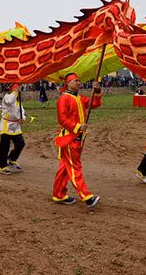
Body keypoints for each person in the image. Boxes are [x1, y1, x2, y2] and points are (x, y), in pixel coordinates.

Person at [52, 73, 102, 208]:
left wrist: (97, 91)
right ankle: (86, 196)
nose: (79, 83)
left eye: (79, 81)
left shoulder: (80, 98)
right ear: (68, 83)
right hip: (70, 138)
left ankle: (59, 194)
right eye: (76, 81)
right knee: (75, 167)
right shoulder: (64, 99)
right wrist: (78, 127)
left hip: (78, 138)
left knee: (65, 167)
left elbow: (94, 104)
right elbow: (62, 119)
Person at [0, 84, 26, 174]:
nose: (20, 89)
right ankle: (3, 166)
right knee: (4, 147)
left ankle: (12, 159)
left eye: (20, 88)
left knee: (20, 143)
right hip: (6, 125)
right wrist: (15, 92)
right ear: (13, 89)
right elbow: (10, 101)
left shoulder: (18, 100)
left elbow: (22, 111)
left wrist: (22, 118)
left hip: (16, 126)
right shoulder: (7, 97)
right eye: (18, 87)